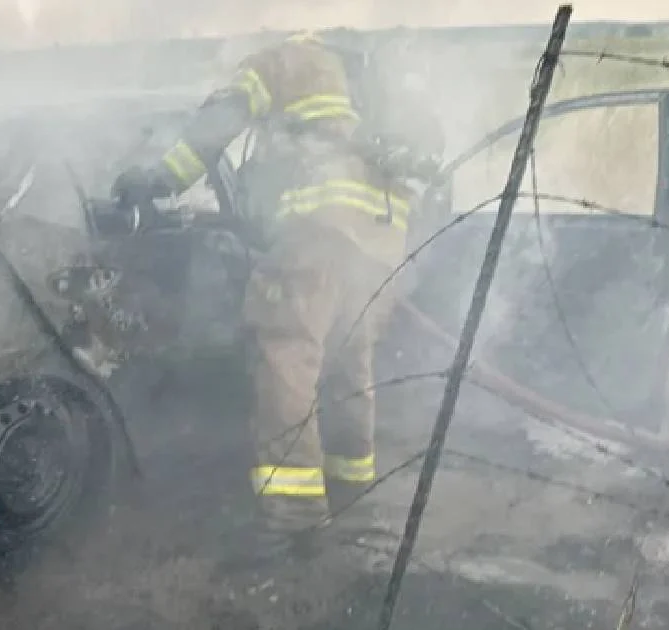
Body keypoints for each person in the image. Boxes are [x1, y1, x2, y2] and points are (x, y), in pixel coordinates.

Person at [110, 29, 442, 582]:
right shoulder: (365, 72)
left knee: (286, 360)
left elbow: (216, 126)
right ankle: (353, 489)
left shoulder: (283, 59)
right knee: (346, 365)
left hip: (315, 232)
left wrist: (159, 178)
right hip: (380, 245)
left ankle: (292, 516)